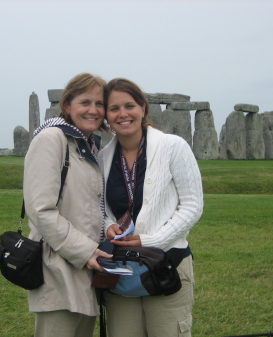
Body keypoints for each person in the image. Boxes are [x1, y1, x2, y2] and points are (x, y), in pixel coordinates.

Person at [97, 78, 204, 337]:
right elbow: (100, 207)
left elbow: (192, 205)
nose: (123, 114)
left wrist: (153, 240)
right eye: (114, 109)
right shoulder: (102, 157)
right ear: (107, 116)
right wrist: (107, 225)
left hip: (166, 262)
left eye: (129, 105)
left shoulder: (173, 147)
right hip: (120, 266)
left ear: (143, 109)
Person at [23, 73, 113, 337]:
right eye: (85, 102)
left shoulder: (87, 145)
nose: (93, 110)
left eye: (99, 104)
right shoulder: (51, 139)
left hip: (85, 269)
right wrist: (85, 252)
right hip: (59, 269)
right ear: (67, 106)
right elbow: (40, 210)